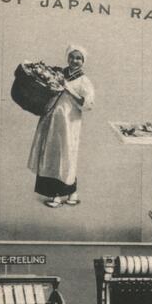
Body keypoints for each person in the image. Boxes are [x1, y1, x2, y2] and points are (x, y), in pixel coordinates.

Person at [28, 44, 95, 208]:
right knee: (50, 154)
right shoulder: (58, 74)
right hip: (51, 119)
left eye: (78, 58)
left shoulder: (84, 81)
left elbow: (88, 104)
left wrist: (69, 90)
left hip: (68, 123)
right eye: (72, 57)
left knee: (66, 155)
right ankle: (61, 193)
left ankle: (63, 193)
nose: (74, 61)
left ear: (83, 61)